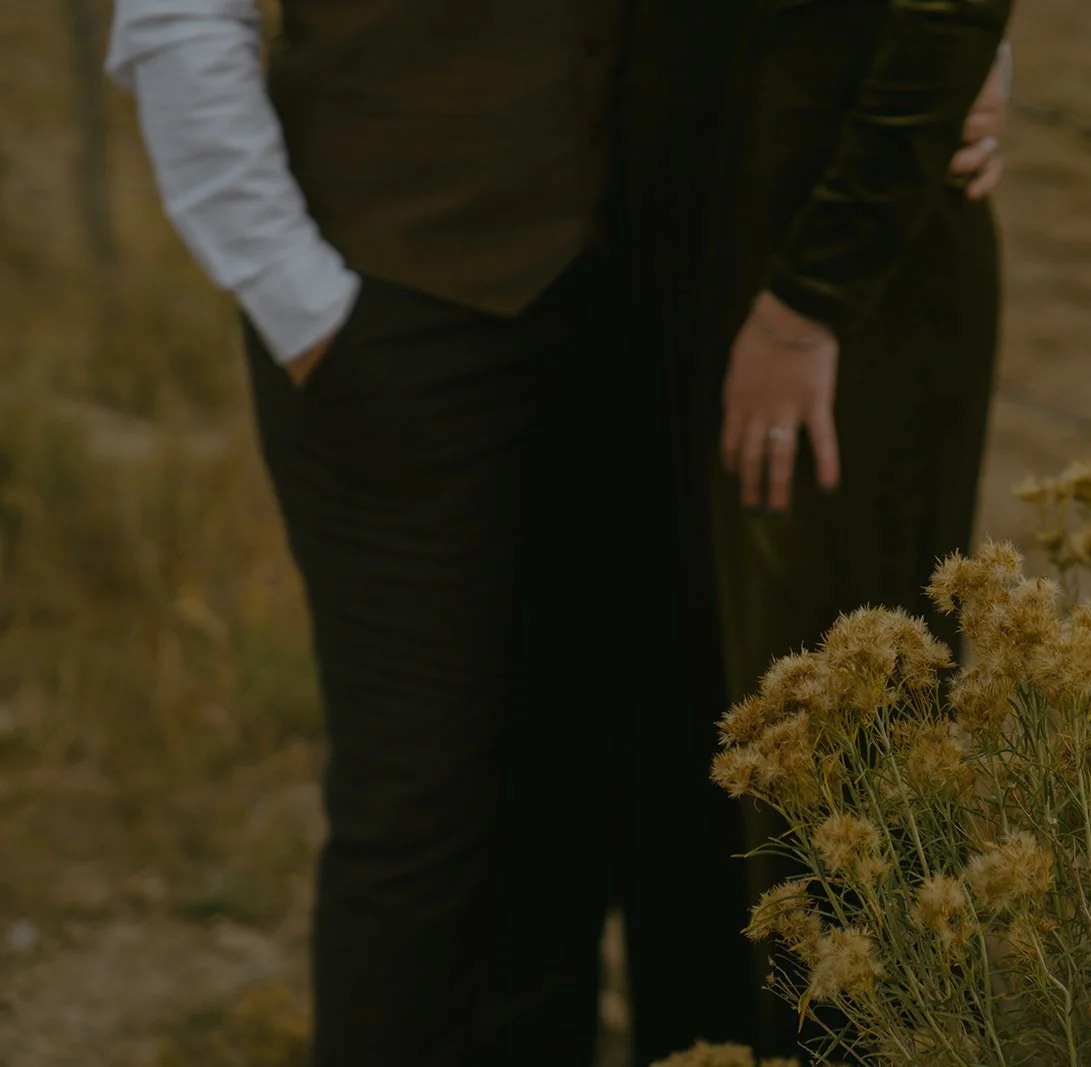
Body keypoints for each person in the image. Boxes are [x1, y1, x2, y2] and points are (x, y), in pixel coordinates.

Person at [105, 1, 1009, 1063]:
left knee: (576, 801)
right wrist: (301, 306)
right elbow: (177, 17)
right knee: (424, 807)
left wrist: (978, 56)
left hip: (629, 310)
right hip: (397, 318)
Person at [616, 0, 1014, 1060]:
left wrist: (807, 304)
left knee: (833, 756)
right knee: (688, 743)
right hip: (667, 250)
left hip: (842, 297)